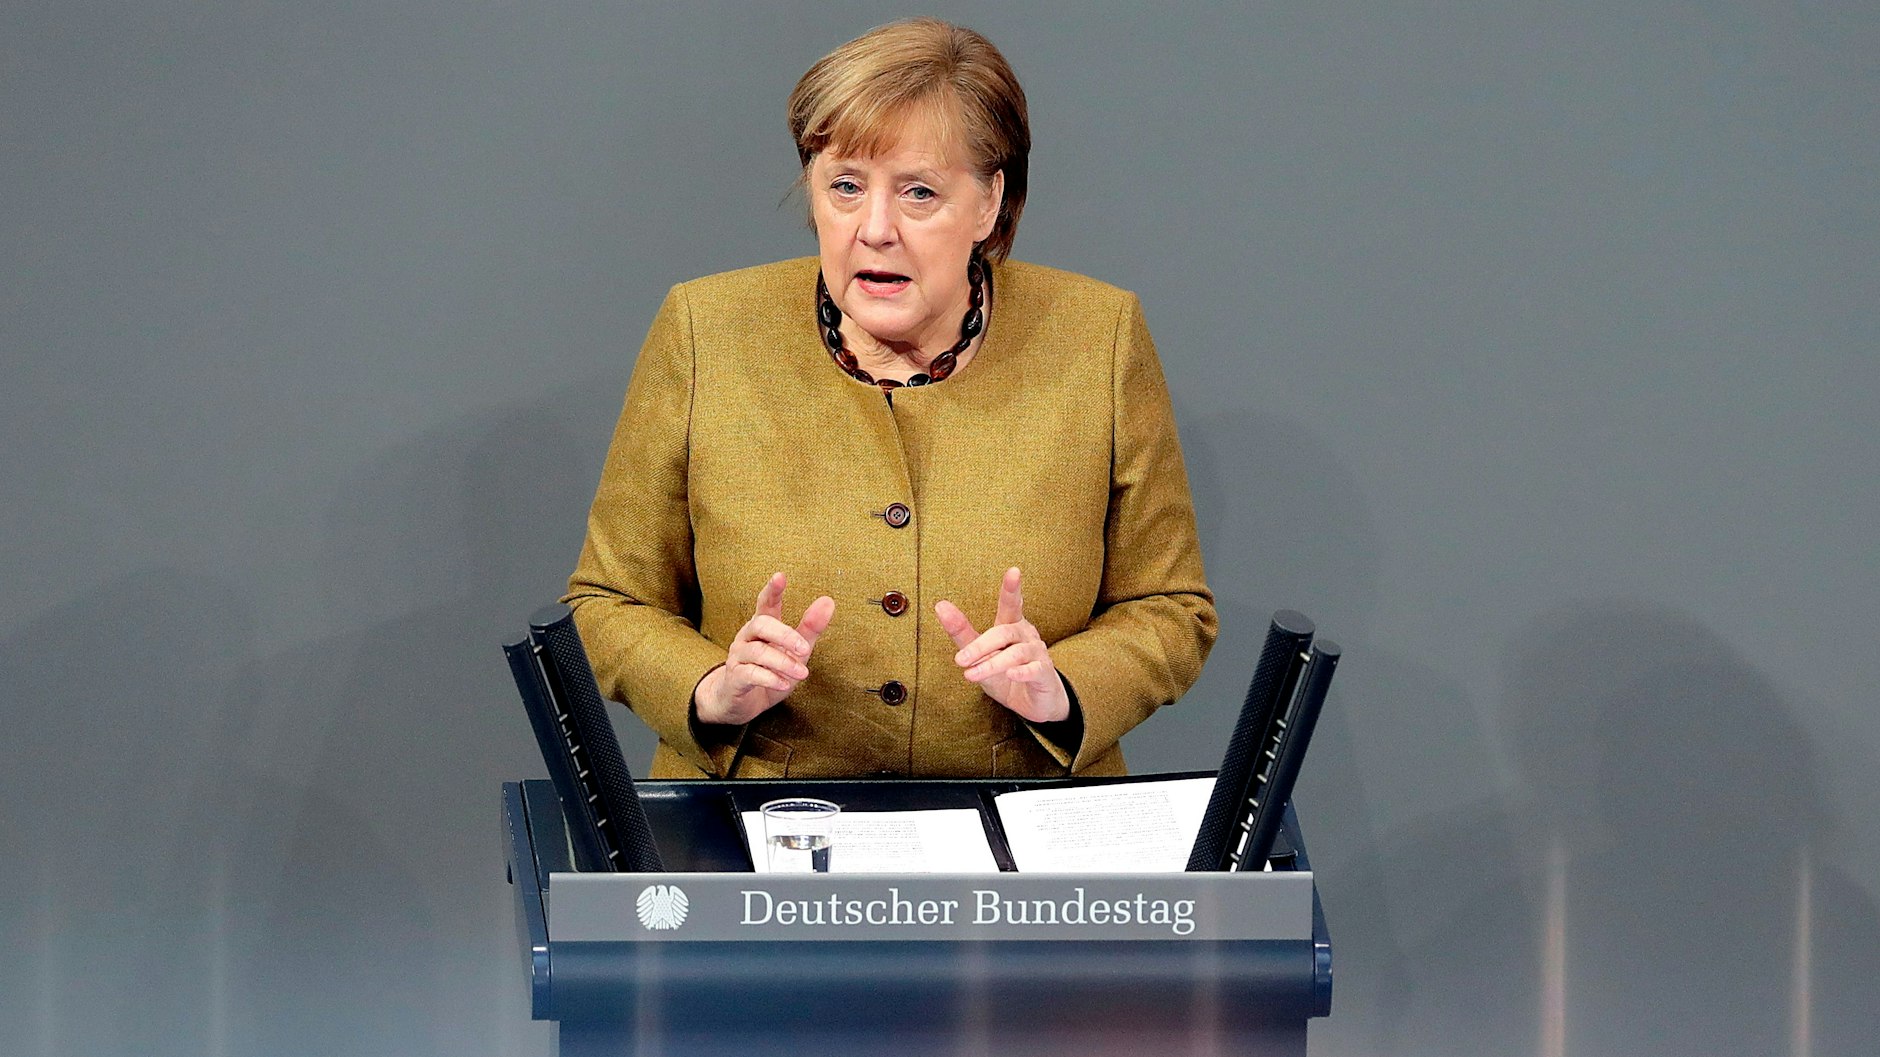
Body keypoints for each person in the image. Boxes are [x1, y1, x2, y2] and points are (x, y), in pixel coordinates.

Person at [565, 18, 1215, 780]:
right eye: (845, 186)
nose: (875, 230)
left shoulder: (1098, 336)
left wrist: (1064, 690)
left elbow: (1171, 606)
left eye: (919, 193)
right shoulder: (705, 331)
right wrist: (709, 688)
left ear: (989, 204)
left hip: (1022, 838)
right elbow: (609, 600)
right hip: (754, 835)